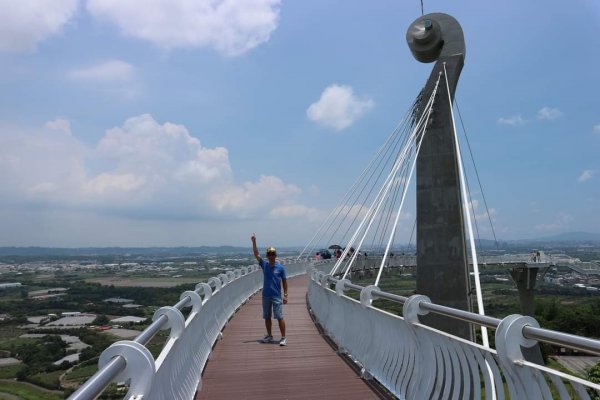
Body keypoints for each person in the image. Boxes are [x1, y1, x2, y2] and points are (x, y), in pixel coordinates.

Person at [251, 233, 288, 346]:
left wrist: (285, 295)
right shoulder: (265, 265)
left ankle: (283, 338)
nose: (271, 256)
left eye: (273, 254)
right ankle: (270, 336)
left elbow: (285, 282)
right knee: (267, 317)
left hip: (276, 296)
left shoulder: (280, 268)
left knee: (279, 317)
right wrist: (254, 242)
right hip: (266, 295)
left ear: (275, 255)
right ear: (267, 256)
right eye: (269, 254)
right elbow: (256, 254)